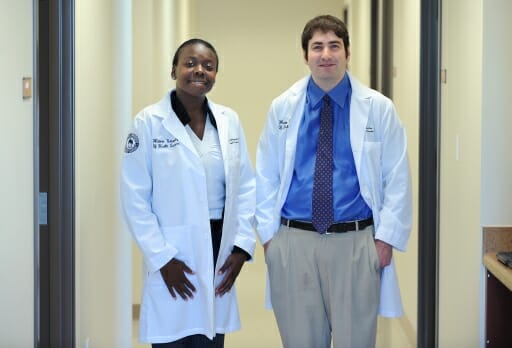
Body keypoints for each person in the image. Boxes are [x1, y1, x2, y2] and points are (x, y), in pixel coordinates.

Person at [255, 15, 412, 348]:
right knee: (300, 340)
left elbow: (397, 177)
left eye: (334, 46)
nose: (326, 54)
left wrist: (385, 240)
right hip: (294, 240)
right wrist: (271, 241)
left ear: (347, 52)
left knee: (356, 340)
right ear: (305, 55)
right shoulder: (283, 107)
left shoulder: (379, 109)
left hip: (354, 242)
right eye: (317, 47)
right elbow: (265, 175)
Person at [121, 38, 256, 348]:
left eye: (209, 67)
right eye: (190, 63)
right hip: (173, 252)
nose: (200, 71)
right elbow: (134, 199)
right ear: (174, 70)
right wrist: (162, 258)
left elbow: (246, 187)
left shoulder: (228, 121)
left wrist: (241, 248)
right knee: (173, 337)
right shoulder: (148, 123)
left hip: (219, 248)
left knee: (210, 337)